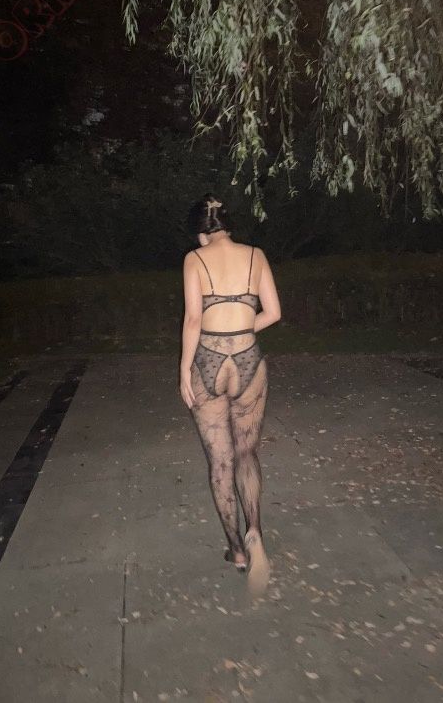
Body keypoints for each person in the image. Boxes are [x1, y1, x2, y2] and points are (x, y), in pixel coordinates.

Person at [180, 193, 281, 596]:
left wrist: (184, 368)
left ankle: (237, 550)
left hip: (208, 360)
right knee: (246, 453)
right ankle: (256, 530)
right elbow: (273, 313)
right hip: (249, 361)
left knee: (220, 460)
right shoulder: (256, 255)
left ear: (201, 233)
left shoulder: (195, 258)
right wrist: (239, 329)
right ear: (228, 225)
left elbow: (193, 319)